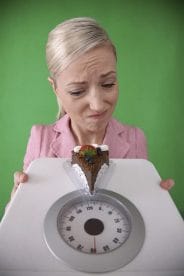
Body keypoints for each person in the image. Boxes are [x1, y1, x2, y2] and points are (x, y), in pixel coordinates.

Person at [10, 17, 174, 202]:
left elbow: (140, 216)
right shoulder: (41, 139)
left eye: (108, 83)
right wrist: (18, 204)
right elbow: (22, 226)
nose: (97, 105)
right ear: (55, 88)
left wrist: (155, 205)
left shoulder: (134, 139)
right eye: (77, 91)